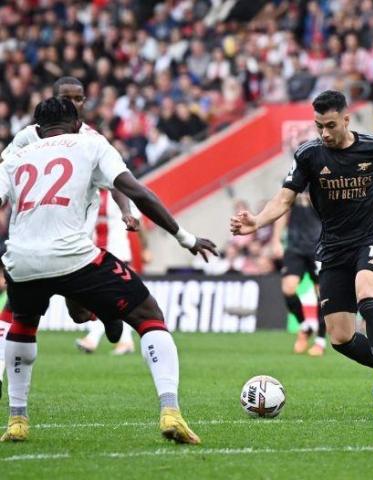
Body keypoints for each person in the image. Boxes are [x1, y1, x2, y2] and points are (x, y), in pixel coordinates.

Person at [0, 98, 217, 443]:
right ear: (76, 123)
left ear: (38, 130)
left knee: (23, 323)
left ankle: (17, 420)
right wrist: (184, 237)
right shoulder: (91, 142)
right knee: (149, 314)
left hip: (22, 260)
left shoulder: (16, 156)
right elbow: (136, 191)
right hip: (73, 255)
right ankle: (170, 411)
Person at [231, 90, 373, 412]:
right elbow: (285, 199)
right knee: (340, 338)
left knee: (366, 295)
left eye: (330, 125)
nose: (324, 133)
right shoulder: (309, 156)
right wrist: (257, 222)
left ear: (346, 119)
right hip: (332, 248)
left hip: (371, 237)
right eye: (319, 126)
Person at [0, 77, 138, 374]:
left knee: (78, 313)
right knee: (16, 310)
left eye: (79, 98)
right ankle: (6, 378)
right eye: (67, 98)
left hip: (75, 245)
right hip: (31, 240)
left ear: (84, 102)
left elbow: (117, 181)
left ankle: (105, 318)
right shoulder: (27, 137)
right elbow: (5, 169)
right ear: (55, 100)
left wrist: (125, 211)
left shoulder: (93, 141)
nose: (74, 104)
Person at [74, 189, 139, 355]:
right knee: (104, 299)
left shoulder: (121, 193)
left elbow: (137, 221)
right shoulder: (90, 192)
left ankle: (95, 339)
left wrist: (144, 248)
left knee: (111, 300)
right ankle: (123, 341)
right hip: (96, 253)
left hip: (118, 254)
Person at [271, 190, 327, 356]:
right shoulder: (294, 179)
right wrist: (276, 240)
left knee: (322, 294)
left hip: (318, 246)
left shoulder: (322, 176)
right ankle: (305, 326)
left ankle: (320, 341)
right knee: (288, 289)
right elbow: (281, 209)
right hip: (294, 247)